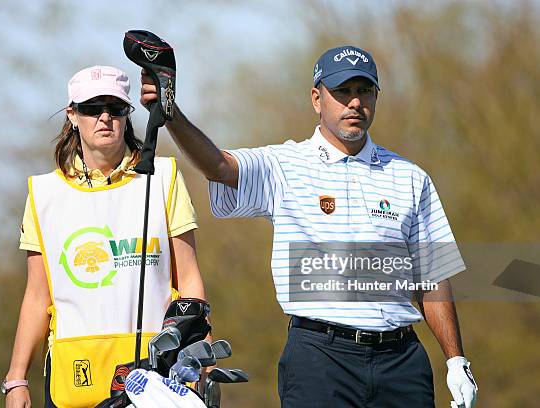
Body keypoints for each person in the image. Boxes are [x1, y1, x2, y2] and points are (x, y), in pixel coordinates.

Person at [141, 46, 479, 407]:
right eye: (342, 92)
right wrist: (171, 114)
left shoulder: (410, 178)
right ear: (317, 99)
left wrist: (456, 360)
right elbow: (220, 166)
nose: (354, 103)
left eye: (364, 91)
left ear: (376, 97)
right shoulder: (284, 165)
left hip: (401, 360)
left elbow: (433, 276)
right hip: (320, 357)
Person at [4, 65, 207, 408]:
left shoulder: (164, 178)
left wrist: (203, 356)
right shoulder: (43, 193)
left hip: (156, 377)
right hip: (74, 376)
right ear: (72, 114)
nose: (104, 117)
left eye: (115, 108)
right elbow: (37, 297)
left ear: (127, 115)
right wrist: (16, 380)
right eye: (91, 108)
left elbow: (189, 279)